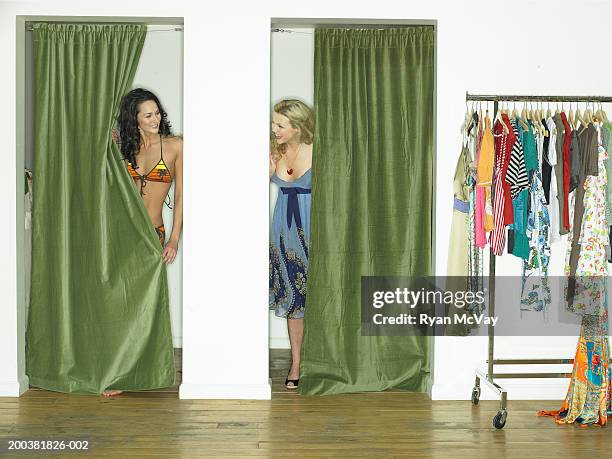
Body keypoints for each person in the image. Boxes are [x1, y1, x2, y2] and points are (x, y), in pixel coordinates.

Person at [105, 88, 183, 396]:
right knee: (119, 304)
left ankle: (144, 369)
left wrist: (175, 238)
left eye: (158, 113)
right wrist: (109, 145)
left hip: (154, 234)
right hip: (121, 233)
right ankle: (118, 372)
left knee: (146, 306)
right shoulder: (123, 146)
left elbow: (182, 196)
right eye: (147, 115)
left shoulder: (176, 146)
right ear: (133, 119)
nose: (156, 119)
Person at [269, 99, 314, 390]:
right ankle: (296, 363)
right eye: (273, 123)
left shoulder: (319, 150)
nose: (274, 129)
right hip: (283, 233)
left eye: (280, 125)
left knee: (317, 296)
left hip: (313, 229)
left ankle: (320, 359)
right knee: (294, 301)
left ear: (298, 127)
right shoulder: (273, 150)